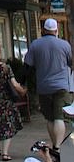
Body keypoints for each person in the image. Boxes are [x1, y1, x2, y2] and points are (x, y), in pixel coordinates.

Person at [24, 18, 72, 151]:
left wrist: (23, 83)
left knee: (50, 118)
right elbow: (70, 63)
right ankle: (58, 146)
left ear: (44, 30)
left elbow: (28, 66)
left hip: (44, 86)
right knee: (59, 117)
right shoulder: (65, 45)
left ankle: (54, 144)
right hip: (61, 86)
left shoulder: (35, 45)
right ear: (56, 30)